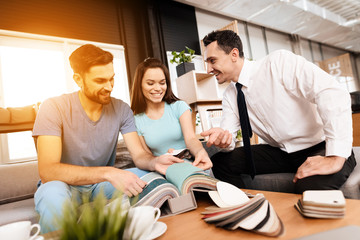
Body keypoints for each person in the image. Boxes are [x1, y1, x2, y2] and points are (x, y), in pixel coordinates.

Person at [32, 44, 183, 233]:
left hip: (100, 185)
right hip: (63, 184)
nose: (109, 87)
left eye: (112, 79)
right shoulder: (53, 107)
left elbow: (138, 155)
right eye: (100, 80)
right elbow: (48, 170)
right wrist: (108, 173)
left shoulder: (121, 109)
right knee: (52, 196)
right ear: (78, 79)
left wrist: (154, 162)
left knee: (156, 180)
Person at [200, 30, 356, 193]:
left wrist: (335, 158)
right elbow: (228, 137)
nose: (209, 69)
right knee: (221, 162)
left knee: (309, 188)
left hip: (319, 145)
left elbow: (332, 92)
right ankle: (246, 206)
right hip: (281, 152)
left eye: (212, 61)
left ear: (234, 54)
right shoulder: (230, 95)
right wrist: (224, 140)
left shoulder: (278, 63)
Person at [130, 58, 212, 170]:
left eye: (162, 83)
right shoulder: (136, 120)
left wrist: (200, 151)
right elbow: (146, 155)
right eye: (150, 83)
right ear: (139, 85)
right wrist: (164, 158)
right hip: (162, 169)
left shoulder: (179, 107)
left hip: (189, 163)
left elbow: (191, 139)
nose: (158, 88)